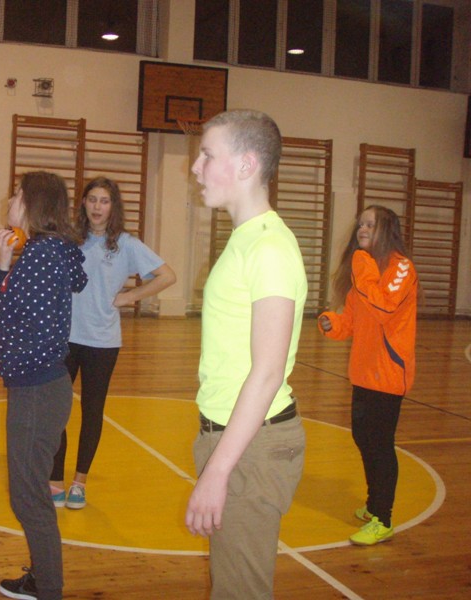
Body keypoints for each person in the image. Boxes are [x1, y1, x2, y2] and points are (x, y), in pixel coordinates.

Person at [185, 110, 307, 599]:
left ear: (246, 165)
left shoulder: (269, 248)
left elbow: (268, 372)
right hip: (233, 440)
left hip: (250, 449)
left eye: (207, 155)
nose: (195, 167)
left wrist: (218, 471)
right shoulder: (247, 240)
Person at [0, 171, 88, 600]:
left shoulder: (43, 256)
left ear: (32, 204)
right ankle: (44, 580)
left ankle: (48, 588)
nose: (9, 200)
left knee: (29, 498)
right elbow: (3, 311)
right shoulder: (40, 252)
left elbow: (35, 335)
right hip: (36, 387)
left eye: (17, 194)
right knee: (29, 494)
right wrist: (3, 262)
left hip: (37, 390)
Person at [49, 176, 176, 509]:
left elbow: (167, 275)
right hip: (65, 336)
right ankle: (54, 480)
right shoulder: (69, 238)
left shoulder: (126, 244)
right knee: (57, 411)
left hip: (102, 341)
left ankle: (79, 483)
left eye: (104, 201)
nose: (97, 207)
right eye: (92, 199)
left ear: (113, 206)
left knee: (92, 411)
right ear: (83, 203)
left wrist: (131, 296)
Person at [318, 205, 418, 546]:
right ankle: (374, 504)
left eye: (371, 224)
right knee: (364, 439)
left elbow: (384, 307)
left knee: (380, 445)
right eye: (361, 223)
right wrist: (332, 322)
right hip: (362, 373)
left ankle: (383, 518)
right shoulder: (367, 274)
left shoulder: (400, 267)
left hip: (388, 374)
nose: (362, 228)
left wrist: (361, 265)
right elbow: (352, 321)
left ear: (386, 230)